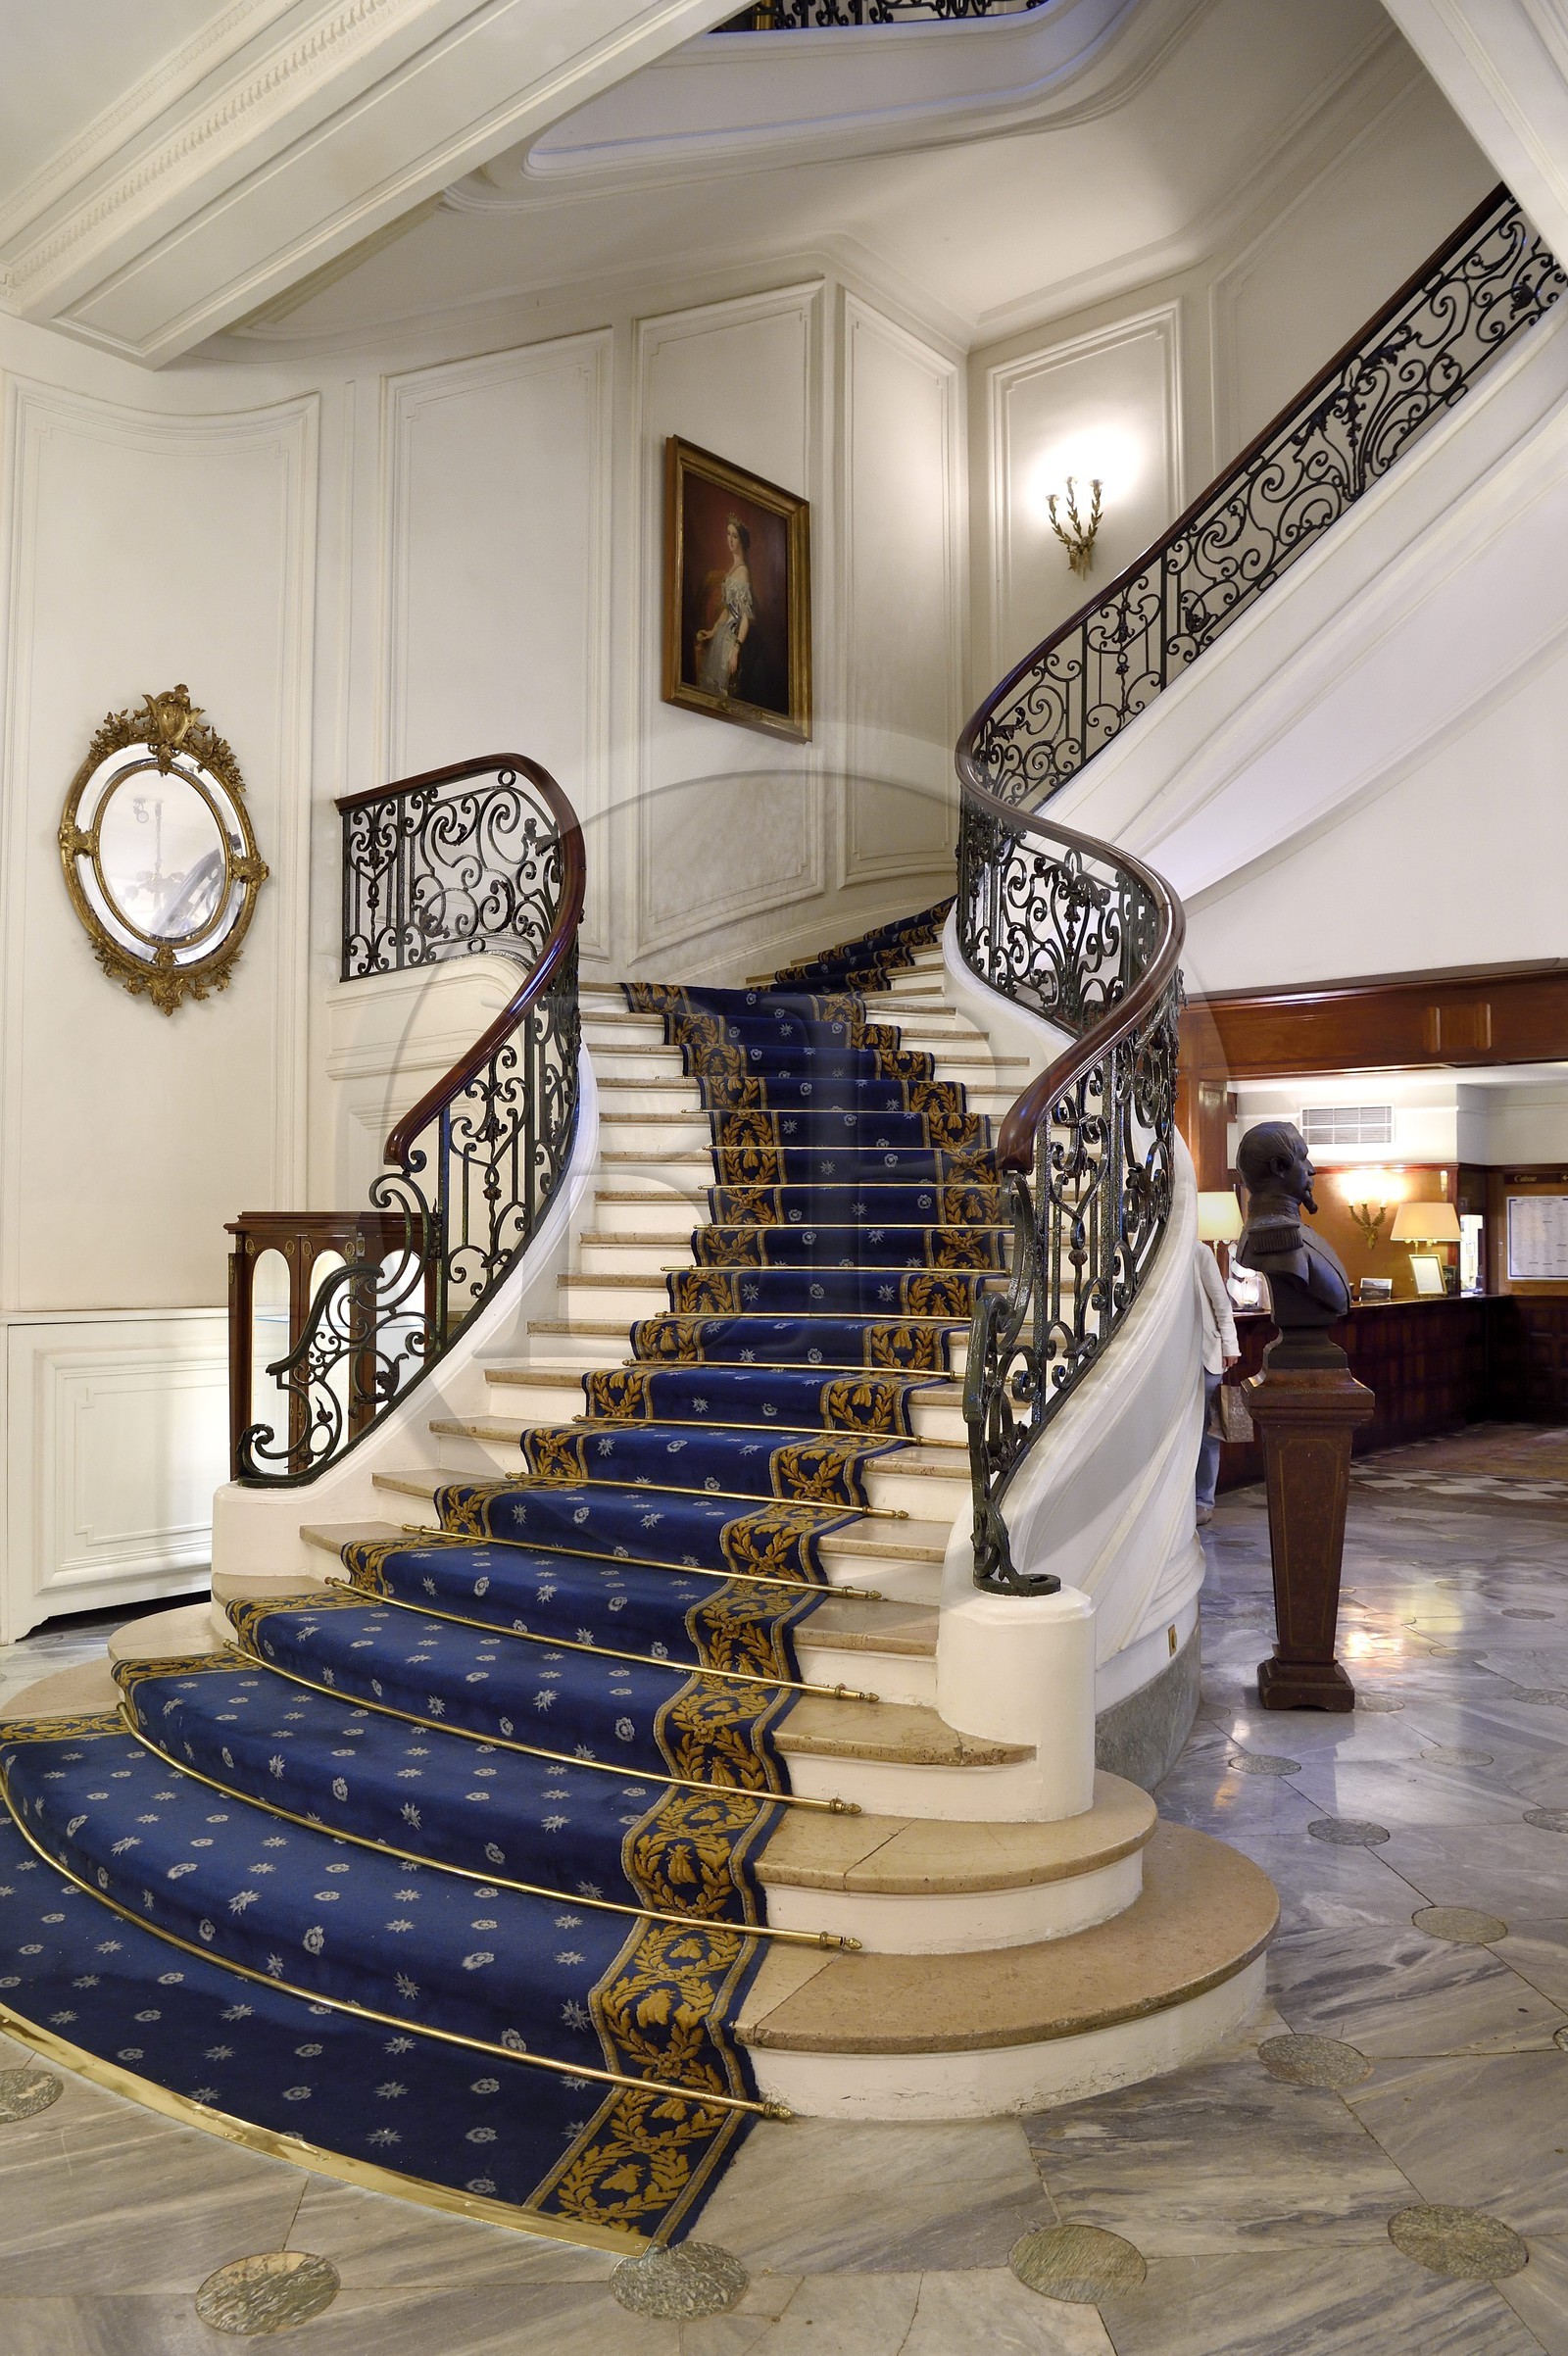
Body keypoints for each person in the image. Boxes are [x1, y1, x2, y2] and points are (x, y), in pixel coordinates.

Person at [1195, 1238, 1240, 1526]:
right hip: (1172, 1360)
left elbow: (1221, 1303)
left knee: (1207, 1434)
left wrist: (1230, 1346)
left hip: (1206, 1358)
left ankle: (1203, 1501)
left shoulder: (1198, 1252)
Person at [695, 516, 756, 701]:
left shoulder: (743, 572)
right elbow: (728, 609)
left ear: (741, 541)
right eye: (728, 534)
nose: (730, 539)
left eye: (734, 536)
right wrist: (713, 631)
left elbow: (745, 617)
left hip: (732, 639)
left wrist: (736, 649)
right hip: (722, 635)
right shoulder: (733, 568)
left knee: (723, 692)